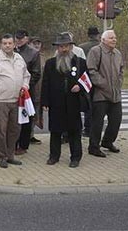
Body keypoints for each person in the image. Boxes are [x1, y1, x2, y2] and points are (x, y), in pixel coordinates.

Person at [0, 34, 31, 168]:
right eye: (5, 43)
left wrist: (25, 87)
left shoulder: (19, 59)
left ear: (14, 44)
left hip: (17, 100)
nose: (7, 46)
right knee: (1, 130)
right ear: (1, 45)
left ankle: (10, 155)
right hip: (0, 101)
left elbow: (26, 76)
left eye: (10, 43)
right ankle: (1, 156)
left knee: (15, 129)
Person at [41, 32, 87, 168]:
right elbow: (45, 84)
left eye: (66, 46)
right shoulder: (50, 63)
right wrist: (45, 102)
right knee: (55, 131)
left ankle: (75, 157)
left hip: (74, 102)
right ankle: (54, 156)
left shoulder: (80, 62)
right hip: (56, 103)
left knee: (74, 131)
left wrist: (80, 86)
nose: (64, 49)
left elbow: (88, 80)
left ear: (71, 47)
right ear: (57, 48)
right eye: (61, 47)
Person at [87, 30, 124, 158]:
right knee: (98, 122)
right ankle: (94, 147)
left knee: (116, 120)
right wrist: (103, 84)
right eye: (111, 38)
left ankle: (108, 142)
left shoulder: (118, 53)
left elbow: (121, 70)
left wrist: (119, 84)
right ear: (103, 40)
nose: (114, 40)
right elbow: (91, 70)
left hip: (115, 93)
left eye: (115, 37)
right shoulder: (95, 51)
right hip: (100, 94)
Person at [14, 29, 41, 155]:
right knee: (13, 120)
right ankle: (12, 143)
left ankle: (23, 145)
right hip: (11, 91)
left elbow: (36, 74)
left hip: (27, 92)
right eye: (17, 38)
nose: (19, 40)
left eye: (21, 38)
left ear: (26, 38)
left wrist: (25, 87)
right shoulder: (10, 50)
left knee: (26, 119)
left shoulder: (33, 53)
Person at [78, 26, 100, 137]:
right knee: (97, 106)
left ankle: (86, 128)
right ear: (97, 35)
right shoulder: (101, 47)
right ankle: (93, 129)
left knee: (87, 104)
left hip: (85, 79)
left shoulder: (81, 47)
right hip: (99, 78)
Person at [28, 36, 44, 145]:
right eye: (34, 43)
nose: (37, 45)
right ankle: (25, 136)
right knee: (28, 114)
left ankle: (31, 135)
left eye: (39, 43)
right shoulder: (28, 56)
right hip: (29, 89)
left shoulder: (42, 57)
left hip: (40, 90)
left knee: (35, 114)